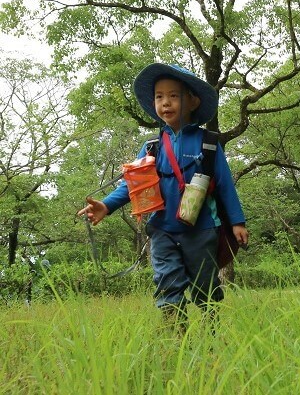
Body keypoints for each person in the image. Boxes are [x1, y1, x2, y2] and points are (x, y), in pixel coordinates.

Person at [78, 63, 249, 331]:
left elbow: (225, 184)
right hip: (161, 230)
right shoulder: (151, 147)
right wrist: (106, 205)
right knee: (167, 281)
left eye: (173, 96)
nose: (165, 102)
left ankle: (210, 332)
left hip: (201, 228)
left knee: (204, 284)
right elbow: (132, 185)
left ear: (192, 101)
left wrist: (237, 222)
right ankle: (176, 337)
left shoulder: (208, 142)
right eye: (159, 96)